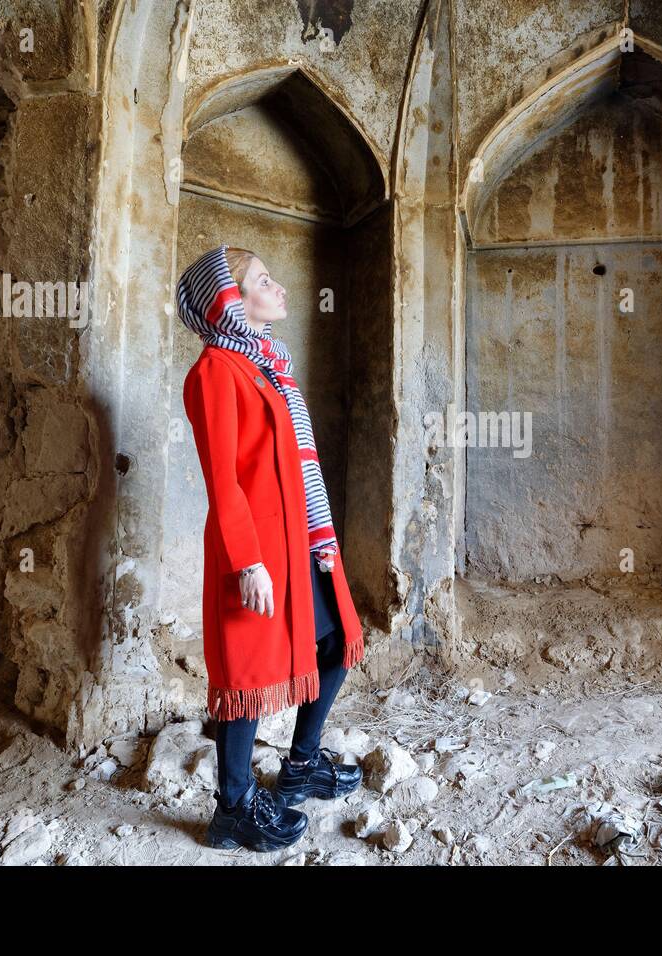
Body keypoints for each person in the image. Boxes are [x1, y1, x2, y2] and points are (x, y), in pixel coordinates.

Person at [178, 244, 366, 852]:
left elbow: (292, 466)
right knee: (248, 670)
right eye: (264, 280)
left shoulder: (266, 365)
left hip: (298, 542)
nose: (279, 287)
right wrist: (247, 560)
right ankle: (231, 807)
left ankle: (301, 765)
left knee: (337, 639)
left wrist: (314, 535)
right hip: (257, 550)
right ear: (231, 300)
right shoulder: (215, 370)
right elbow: (223, 476)